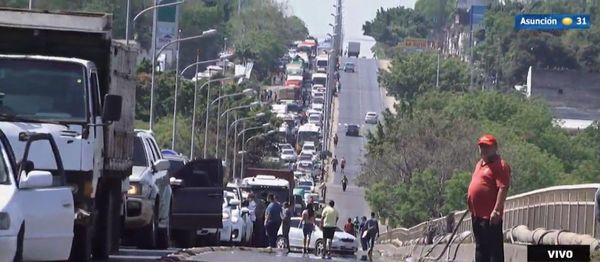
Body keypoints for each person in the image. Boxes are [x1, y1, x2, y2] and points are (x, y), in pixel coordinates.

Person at [467, 134, 511, 262]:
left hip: (490, 217)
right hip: (476, 214)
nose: (484, 149)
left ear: (495, 147)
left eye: (487, 146)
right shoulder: (480, 164)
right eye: (481, 146)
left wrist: (497, 210)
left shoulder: (500, 165)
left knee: (494, 251)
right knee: (481, 248)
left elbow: (503, 188)